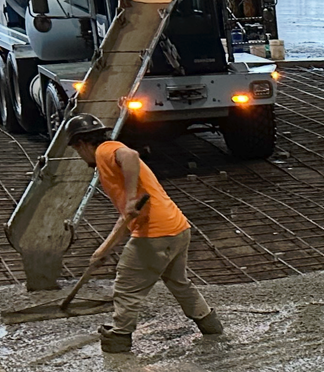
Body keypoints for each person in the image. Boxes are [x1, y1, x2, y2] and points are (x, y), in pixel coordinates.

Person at [66, 113, 222, 352]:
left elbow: (131, 155)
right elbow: (127, 218)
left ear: (81, 144)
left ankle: (119, 337)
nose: (80, 156)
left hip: (155, 235)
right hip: (177, 228)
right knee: (179, 283)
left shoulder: (105, 150)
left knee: (127, 287)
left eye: (77, 151)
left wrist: (129, 198)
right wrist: (103, 250)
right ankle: (210, 324)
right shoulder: (107, 156)